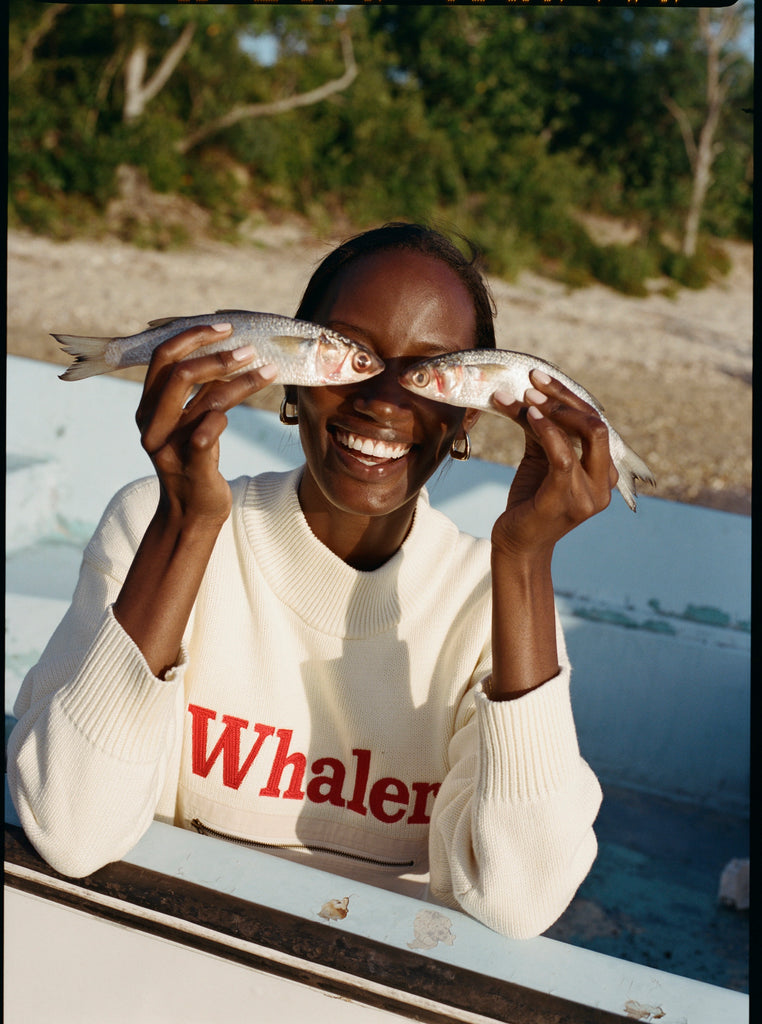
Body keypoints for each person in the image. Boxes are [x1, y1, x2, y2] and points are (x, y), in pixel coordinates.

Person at [8, 223, 615, 939]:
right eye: (350, 356)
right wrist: (185, 524)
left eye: (428, 371)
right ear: (289, 378)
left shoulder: (492, 604)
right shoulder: (154, 524)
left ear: (463, 421)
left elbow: (521, 900)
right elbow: (71, 831)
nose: (383, 397)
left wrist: (523, 562)